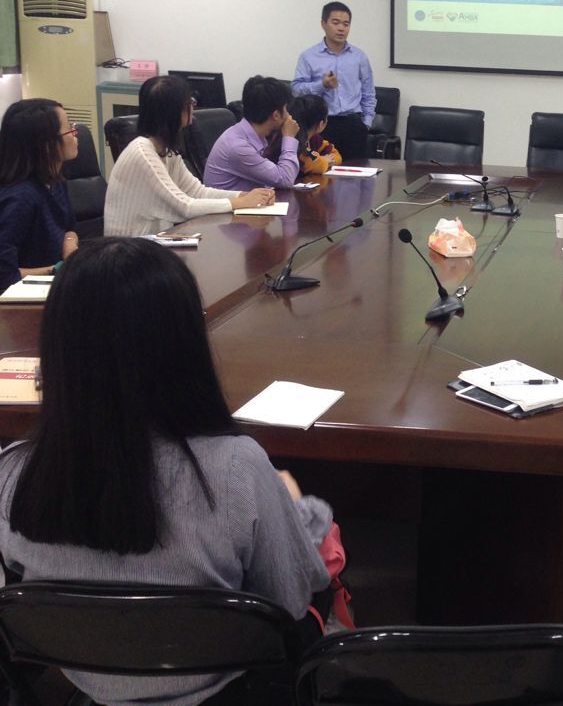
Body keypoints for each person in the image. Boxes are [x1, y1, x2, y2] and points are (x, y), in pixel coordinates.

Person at [0, 237, 333, 703]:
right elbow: (291, 599)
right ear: (186, 345)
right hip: (222, 686)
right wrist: (299, 511)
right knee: (321, 539)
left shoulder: (14, 472)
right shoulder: (238, 468)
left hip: (86, 679)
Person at [104, 76, 273, 237]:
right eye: (190, 102)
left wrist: (244, 196)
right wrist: (238, 203)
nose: (193, 107)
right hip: (128, 250)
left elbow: (197, 192)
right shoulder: (142, 153)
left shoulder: (166, 150)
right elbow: (184, 207)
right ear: (173, 111)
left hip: (154, 241)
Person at [0, 99, 80, 290]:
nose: (75, 133)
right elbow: (4, 276)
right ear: (46, 144)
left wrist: (70, 248)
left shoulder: (55, 180)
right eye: (69, 129)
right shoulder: (21, 198)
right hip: (21, 298)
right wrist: (59, 269)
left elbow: (69, 228)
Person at [292, 1, 376, 160]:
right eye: (335, 23)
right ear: (323, 24)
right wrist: (322, 85)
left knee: (357, 172)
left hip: (353, 124)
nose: (341, 28)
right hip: (321, 125)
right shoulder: (308, 56)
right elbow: (296, 90)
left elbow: (369, 93)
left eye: (346, 24)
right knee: (323, 171)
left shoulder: (359, 57)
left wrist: (366, 123)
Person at [204, 75, 302, 190]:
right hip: (230, 202)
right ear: (276, 115)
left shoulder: (248, 134)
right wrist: (289, 137)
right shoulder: (238, 147)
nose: (288, 115)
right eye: (286, 109)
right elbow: (285, 179)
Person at [290, 93, 343, 177]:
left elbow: (336, 156)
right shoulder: (294, 139)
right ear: (321, 124)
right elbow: (309, 164)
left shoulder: (314, 138)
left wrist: (323, 161)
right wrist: (324, 161)